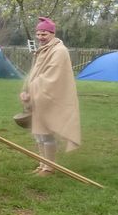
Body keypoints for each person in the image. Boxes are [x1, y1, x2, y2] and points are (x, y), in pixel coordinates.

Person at [19, 17, 81, 177]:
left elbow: (52, 77)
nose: (40, 37)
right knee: (39, 133)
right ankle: (42, 164)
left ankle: (49, 167)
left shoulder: (59, 51)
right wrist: (26, 90)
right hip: (38, 97)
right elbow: (34, 73)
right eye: (38, 34)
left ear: (52, 33)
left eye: (44, 34)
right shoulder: (43, 49)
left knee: (46, 133)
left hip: (51, 97)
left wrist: (32, 89)